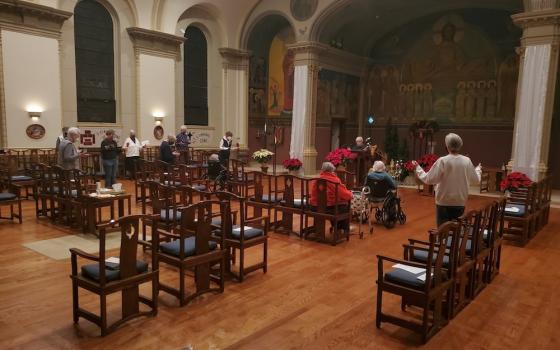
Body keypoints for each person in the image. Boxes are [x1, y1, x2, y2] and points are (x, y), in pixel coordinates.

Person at [413, 133, 482, 227]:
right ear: (459, 146)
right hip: (459, 202)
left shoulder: (443, 161)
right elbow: (476, 180)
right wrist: (478, 170)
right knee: (456, 233)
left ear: (447, 146)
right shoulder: (467, 161)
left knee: (442, 233)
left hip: (443, 203)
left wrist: (417, 167)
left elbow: (428, 179)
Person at [310, 162, 353, 233]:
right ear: (332, 170)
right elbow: (344, 194)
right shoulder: (334, 180)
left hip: (315, 207)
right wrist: (351, 194)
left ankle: (336, 227)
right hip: (327, 209)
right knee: (345, 206)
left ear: (322, 170)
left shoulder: (317, 179)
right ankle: (342, 229)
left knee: (337, 204)